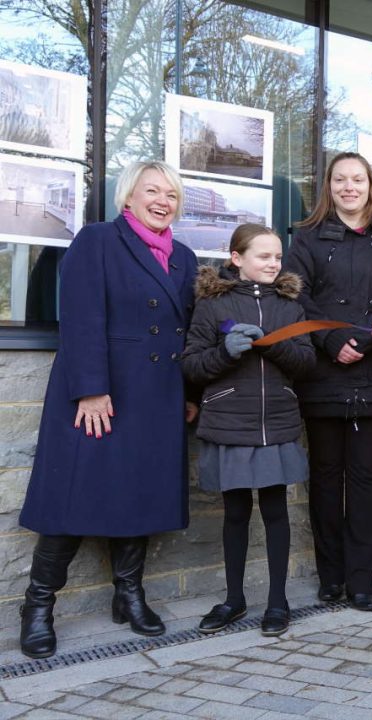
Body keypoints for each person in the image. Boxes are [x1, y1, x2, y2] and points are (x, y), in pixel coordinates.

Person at [17, 161, 199, 659]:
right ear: (128, 198)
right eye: (152, 191)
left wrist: (188, 394)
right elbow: (79, 318)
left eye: (171, 194)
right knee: (71, 497)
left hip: (156, 395)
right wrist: (91, 389)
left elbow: (188, 332)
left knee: (140, 494)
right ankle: (37, 606)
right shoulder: (97, 240)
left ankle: (129, 595)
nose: (163, 200)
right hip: (101, 394)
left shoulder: (182, 257)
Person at [283, 152, 372, 611]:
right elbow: (297, 296)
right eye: (340, 179)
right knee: (324, 478)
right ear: (329, 186)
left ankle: (363, 580)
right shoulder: (305, 237)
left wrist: (368, 341)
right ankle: (330, 577)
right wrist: (333, 339)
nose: (348, 187)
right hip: (321, 372)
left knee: (362, 479)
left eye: (357, 179)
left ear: (369, 184)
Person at [181, 225, 315, 637]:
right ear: (237, 259)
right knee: (235, 513)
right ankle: (234, 599)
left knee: (276, 512)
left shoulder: (290, 306)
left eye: (277, 257)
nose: (274, 264)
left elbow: (307, 364)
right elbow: (191, 365)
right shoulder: (211, 304)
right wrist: (224, 353)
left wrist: (272, 344)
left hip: (275, 423)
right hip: (229, 423)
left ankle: (278, 602)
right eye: (264, 257)